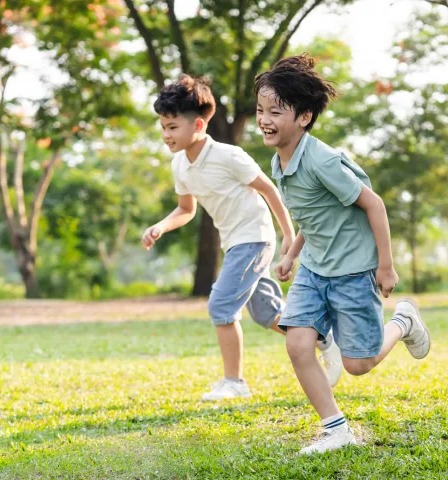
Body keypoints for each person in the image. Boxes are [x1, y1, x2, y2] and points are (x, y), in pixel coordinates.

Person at [254, 54, 431, 454]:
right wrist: (292, 253)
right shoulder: (279, 160)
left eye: (275, 112)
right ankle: (336, 429)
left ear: (304, 116)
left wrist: (386, 266)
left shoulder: (324, 161)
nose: (264, 119)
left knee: (358, 365)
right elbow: (312, 215)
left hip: (355, 270)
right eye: (261, 110)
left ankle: (402, 321)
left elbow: (375, 205)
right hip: (316, 268)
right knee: (297, 344)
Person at [141, 74, 343, 401]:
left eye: (172, 127)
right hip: (234, 242)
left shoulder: (229, 156)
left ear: (198, 125)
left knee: (221, 304)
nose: (166, 135)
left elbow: (270, 191)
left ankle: (234, 382)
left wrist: (289, 240)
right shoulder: (180, 165)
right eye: (163, 126)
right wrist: (161, 226)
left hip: (254, 237)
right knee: (267, 314)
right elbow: (185, 209)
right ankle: (322, 337)